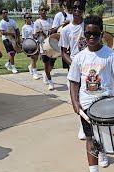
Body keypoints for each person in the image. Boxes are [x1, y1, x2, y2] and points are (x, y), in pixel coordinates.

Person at [67, 15, 114, 172]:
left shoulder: (111, 55)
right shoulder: (79, 58)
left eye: (95, 33)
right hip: (87, 106)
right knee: (90, 138)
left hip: (107, 105)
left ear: (102, 33)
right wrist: (75, 102)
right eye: (87, 34)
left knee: (106, 137)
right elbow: (74, 82)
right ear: (84, 34)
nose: (91, 37)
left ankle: (103, 153)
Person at [59, 0, 87, 140]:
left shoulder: (88, 25)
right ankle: (82, 125)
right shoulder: (66, 30)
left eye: (80, 7)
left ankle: (87, 125)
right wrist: (74, 65)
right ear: (70, 9)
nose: (77, 9)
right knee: (77, 98)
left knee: (89, 96)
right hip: (75, 66)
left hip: (90, 66)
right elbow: (63, 52)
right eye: (74, 7)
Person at [34, 4, 56, 90]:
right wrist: (39, 33)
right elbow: (34, 35)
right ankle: (50, 82)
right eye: (42, 10)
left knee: (51, 64)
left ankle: (45, 74)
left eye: (45, 10)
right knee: (46, 64)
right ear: (39, 11)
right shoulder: (37, 22)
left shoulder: (51, 20)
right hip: (43, 46)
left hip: (52, 45)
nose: (43, 11)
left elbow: (54, 31)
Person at [52, 0, 73, 70]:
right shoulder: (59, 15)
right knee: (52, 61)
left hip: (72, 41)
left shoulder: (75, 14)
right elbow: (53, 30)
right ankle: (47, 74)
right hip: (61, 41)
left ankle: (70, 78)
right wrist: (63, 25)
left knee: (71, 61)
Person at [0, 8, 20, 74]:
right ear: (1, 15)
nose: (5, 14)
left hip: (13, 39)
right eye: (3, 13)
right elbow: (2, 32)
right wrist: (11, 34)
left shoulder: (12, 21)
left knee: (14, 52)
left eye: (6, 12)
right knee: (11, 53)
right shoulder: (1, 23)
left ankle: (8, 63)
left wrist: (18, 38)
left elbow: (17, 29)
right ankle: (13, 67)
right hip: (6, 39)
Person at [22, 12, 40, 80]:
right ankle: (35, 73)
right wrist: (24, 46)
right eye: (27, 18)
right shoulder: (24, 27)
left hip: (36, 43)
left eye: (30, 17)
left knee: (36, 58)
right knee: (33, 57)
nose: (29, 19)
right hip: (29, 44)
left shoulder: (35, 24)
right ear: (25, 19)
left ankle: (30, 66)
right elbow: (24, 38)